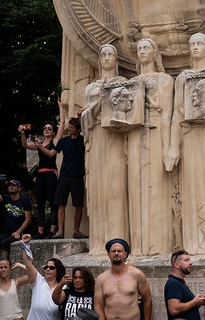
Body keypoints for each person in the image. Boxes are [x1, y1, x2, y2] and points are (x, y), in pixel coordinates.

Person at [166, 32, 205, 254]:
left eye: (199, 43)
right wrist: (174, 146)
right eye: (191, 44)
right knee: (192, 188)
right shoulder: (182, 78)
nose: (195, 47)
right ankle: (194, 242)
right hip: (190, 138)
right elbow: (176, 114)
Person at [78, 43, 129, 255]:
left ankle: (119, 240)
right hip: (97, 138)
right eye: (104, 55)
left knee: (116, 186)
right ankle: (99, 242)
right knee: (98, 188)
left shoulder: (123, 83)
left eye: (111, 54)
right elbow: (84, 116)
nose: (107, 58)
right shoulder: (91, 88)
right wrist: (100, 101)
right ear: (99, 60)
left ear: (116, 60)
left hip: (115, 136)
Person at [128, 38, 174, 255]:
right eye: (139, 48)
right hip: (136, 135)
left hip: (157, 133)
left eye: (146, 47)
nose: (142, 51)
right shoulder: (131, 82)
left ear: (155, 52)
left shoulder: (164, 79)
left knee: (158, 187)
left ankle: (160, 244)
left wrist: (167, 146)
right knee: (136, 187)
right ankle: (138, 245)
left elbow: (167, 114)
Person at [19, 97, 65, 239]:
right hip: (40, 175)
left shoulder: (55, 141)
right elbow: (25, 145)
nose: (46, 130)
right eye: (44, 128)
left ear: (53, 132)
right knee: (39, 203)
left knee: (52, 202)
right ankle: (40, 232)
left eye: (49, 128)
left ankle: (52, 230)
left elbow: (51, 154)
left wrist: (61, 106)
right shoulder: (39, 143)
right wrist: (22, 134)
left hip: (51, 174)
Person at [38, 117, 87, 239]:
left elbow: (87, 128)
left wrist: (80, 116)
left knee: (78, 205)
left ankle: (76, 231)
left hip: (77, 176)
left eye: (71, 127)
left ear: (78, 129)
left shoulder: (83, 140)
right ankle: (60, 231)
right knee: (60, 204)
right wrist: (39, 146)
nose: (69, 129)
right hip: (64, 176)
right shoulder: (64, 141)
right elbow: (50, 154)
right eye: (69, 127)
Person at [94, 238, 153, 320]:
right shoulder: (101, 279)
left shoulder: (137, 274)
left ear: (125, 254)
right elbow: (98, 306)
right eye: (113, 251)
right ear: (108, 254)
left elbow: (148, 300)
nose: (116, 253)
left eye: (119, 251)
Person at [0, 176, 32, 273]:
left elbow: (28, 219)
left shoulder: (24, 200)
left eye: (14, 186)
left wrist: (19, 232)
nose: (11, 187)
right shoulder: (7, 198)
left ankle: (5, 266)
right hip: (9, 232)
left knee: (4, 243)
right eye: (9, 186)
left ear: (19, 188)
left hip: (21, 232)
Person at [21, 233, 64, 319]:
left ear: (58, 271)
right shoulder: (38, 281)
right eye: (46, 267)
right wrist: (25, 245)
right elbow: (28, 264)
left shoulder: (63, 287)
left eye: (51, 267)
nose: (47, 269)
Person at [164, 250, 205, 320]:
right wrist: (194, 302)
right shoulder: (173, 283)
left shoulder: (180, 282)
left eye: (189, 260)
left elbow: (186, 308)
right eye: (186, 260)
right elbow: (174, 309)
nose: (191, 263)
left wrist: (198, 302)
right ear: (176, 265)